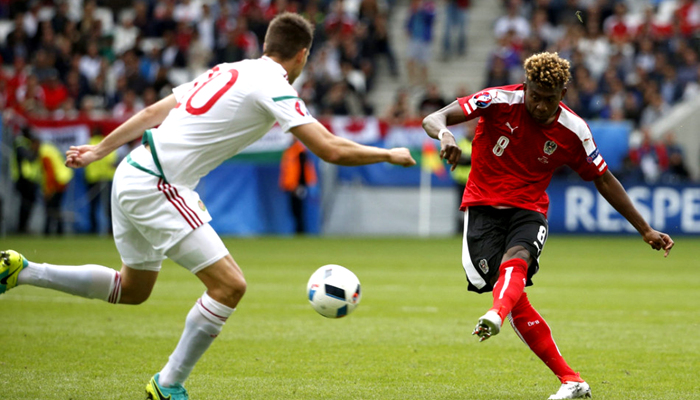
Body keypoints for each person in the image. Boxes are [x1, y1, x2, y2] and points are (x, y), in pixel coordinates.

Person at [0, 13, 415, 400]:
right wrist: (387, 154)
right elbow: (330, 149)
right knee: (229, 286)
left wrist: (99, 150)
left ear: (265, 44)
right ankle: (168, 384)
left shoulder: (228, 69)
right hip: (158, 182)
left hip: (133, 169)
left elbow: (153, 111)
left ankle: (23, 270)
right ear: (303, 55)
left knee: (132, 290)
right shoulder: (273, 84)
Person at [421, 52, 674, 400]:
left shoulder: (574, 130)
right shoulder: (497, 100)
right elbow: (433, 117)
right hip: (482, 209)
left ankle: (496, 313)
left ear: (563, 94)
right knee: (513, 296)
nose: (540, 106)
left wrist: (645, 229)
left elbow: (603, 178)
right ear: (525, 86)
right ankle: (571, 380)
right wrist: (445, 136)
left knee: (518, 260)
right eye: (535, 96)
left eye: (549, 99)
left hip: (529, 208)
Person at [279, 139, 317, 234]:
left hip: (298, 187)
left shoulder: (300, 151)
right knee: (294, 211)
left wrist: (300, 185)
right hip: (291, 187)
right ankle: (298, 231)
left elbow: (302, 170)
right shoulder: (290, 150)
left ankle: (300, 232)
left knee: (299, 211)